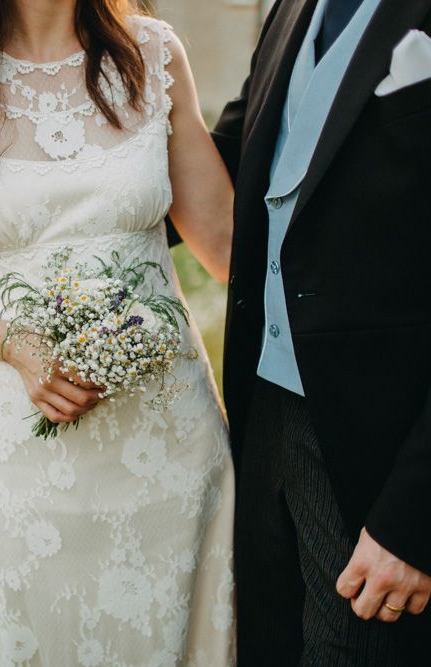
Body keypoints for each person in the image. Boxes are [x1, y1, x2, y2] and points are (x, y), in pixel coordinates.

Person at [0, 0, 237, 664]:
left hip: (168, 450)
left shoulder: (152, 56)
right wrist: (12, 343)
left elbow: (228, 247)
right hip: (21, 457)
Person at [197, 0, 431, 663]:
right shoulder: (291, 7)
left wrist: (415, 520)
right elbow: (226, 158)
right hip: (261, 412)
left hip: (381, 454)